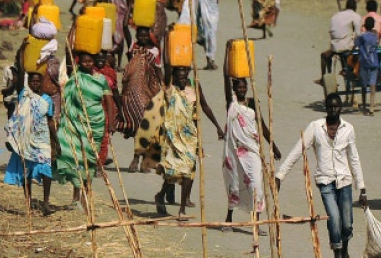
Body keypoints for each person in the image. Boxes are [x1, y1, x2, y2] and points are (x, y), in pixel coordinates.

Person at [275, 93, 367, 258]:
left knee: (346, 223)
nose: (333, 109)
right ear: (325, 108)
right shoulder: (315, 127)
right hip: (325, 182)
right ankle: (338, 251)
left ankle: (344, 248)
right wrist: (280, 174)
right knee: (334, 217)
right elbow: (298, 150)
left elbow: (354, 158)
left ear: (341, 108)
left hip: (344, 181)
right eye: (330, 106)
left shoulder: (348, 129)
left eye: (336, 106)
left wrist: (362, 188)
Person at [154, 66, 224, 220]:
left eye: (184, 77)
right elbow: (166, 65)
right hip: (172, 136)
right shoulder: (170, 89)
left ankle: (182, 209)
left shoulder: (194, 87)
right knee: (172, 171)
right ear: (174, 77)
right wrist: (168, 45)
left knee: (188, 171)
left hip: (190, 135)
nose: (182, 80)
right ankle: (160, 195)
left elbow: (204, 106)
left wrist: (217, 127)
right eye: (179, 77)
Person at [222, 76, 282, 229]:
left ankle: (256, 223)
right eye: (239, 87)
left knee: (257, 186)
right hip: (235, 151)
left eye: (244, 87)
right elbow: (225, 78)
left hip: (252, 150)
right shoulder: (232, 104)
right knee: (234, 185)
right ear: (235, 89)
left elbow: (261, 126)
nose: (242, 90)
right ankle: (229, 218)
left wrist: (273, 146)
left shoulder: (252, 104)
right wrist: (228, 55)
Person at [56, 51, 112, 211]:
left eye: (90, 61)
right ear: (80, 62)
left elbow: (108, 100)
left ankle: (85, 195)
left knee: (90, 159)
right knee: (76, 157)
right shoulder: (75, 75)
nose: (87, 64)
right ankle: (75, 196)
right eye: (84, 61)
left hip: (96, 123)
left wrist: (111, 122)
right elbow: (68, 60)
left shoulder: (100, 79)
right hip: (77, 122)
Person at [3, 72, 59, 215]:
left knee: (46, 169)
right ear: (29, 83)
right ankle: (28, 202)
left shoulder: (46, 100)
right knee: (26, 172)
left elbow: (50, 121)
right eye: (33, 81)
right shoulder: (24, 96)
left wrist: (56, 142)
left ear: (41, 83)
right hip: (26, 138)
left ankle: (45, 203)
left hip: (42, 138)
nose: (35, 83)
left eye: (38, 81)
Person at [120, 26, 163, 172]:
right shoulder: (133, 47)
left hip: (150, 90)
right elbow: (125, 29)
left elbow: (158, 69)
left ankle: (143, 158)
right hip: (134, 90)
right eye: (140, 35)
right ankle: (137, 157)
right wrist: (129, 10)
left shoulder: (155, 51)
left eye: (146, 35)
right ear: (137, 35)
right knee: (138, 124)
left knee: (148, 125)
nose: (143, 38)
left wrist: (164, 86)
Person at [188, 0, 229, 70]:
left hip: (214, 13)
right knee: (208, 35)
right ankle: (209, 61)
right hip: (204, 14)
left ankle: (211, 59)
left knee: (211, 36)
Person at [318, 0, 362, 84]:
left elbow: (332, 33)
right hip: (347, 47)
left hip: (334, 47)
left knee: (324, 55)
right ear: (355, 7)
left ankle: (325, 77)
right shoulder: (356, 16)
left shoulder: (335, 16)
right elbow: (358, 34)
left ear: (346, 6)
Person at [93, 51, 120, 167]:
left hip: (105, 109)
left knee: (104, 139)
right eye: (97, 59)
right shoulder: (89, 73)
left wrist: (120, 111)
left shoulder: (110, 73)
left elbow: (115, 93)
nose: (100, 61)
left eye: (102, 59)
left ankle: (100, 165)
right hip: (91, 108)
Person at [104, 0, 132, 68]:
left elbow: (129, 2)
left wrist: (128, 15)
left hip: (122, 14)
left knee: (121, 38)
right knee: (111, 36)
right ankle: (111, 61)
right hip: (112, 14)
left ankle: (120, 63)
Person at [355, 16, 379, 116]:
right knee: (373, 85)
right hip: (374, 62)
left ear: (364, 25)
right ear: (373, 25)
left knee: (364, 85)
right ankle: (372, 107)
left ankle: (364, 106)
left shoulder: (362, 36)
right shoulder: (375, 36)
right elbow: (377, 44)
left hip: (364, 63)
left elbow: (356, 44)